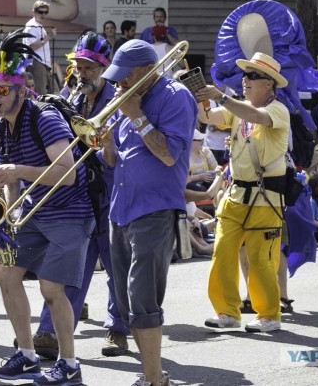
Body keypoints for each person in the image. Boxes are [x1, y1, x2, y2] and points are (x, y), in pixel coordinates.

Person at [0, 28, 94, 385]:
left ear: (21, 89)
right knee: (4, 272)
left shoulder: (45, 118)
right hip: (36, 211)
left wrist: (16, 170)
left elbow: (66, 175)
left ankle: (69, 363)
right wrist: (9, 215)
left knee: (50, 287)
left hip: (69, 213)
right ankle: (27, 355)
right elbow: (14, 180)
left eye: (3, 91)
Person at [100, 39, 197, 386]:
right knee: (126, 304)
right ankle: (153, 375)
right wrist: (107, 143)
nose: (118, 84)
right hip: (121, 209)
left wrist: (137, 116)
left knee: (143, 300)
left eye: (124, 77)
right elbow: (113, 162)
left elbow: (170, 154)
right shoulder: (127, 101)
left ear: (144, 71)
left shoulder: (175, 96)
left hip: (154, 209)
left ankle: (154, 380)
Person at [33, 31, 131, 360]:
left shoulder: (118, 99)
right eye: (78, 66)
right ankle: (51, 331)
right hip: (79, 193)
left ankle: (117, 329)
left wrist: (105, 144)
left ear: (104, 68)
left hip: (111, 190)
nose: (82, 73)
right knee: (71, 263)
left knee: (117, 265)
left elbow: (117, 154)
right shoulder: (71, 96)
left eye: (89, 67)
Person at [196, 52, 289, 333]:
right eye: (245, 75)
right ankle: (227, 312)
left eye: (253, 76)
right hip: (235, 196)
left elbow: (256, 116)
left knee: (261, 261)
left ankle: (269, 314)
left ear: (269, 84)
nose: (245, 80)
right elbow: (208, 116)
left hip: (265, 199)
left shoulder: (277, 110)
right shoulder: (239, 108)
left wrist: (222, 97)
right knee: (222, 254)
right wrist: (200, 95)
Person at [24, 0, 56, 95]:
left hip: (43, 63)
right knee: (40, 92)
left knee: (51, 91)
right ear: (33, 12)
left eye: (46, 12)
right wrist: (48, 37)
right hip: (36, 62)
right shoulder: (32, 26)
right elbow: (30, 46)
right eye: (40, 12)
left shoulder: (38, 25)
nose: (43, 14)